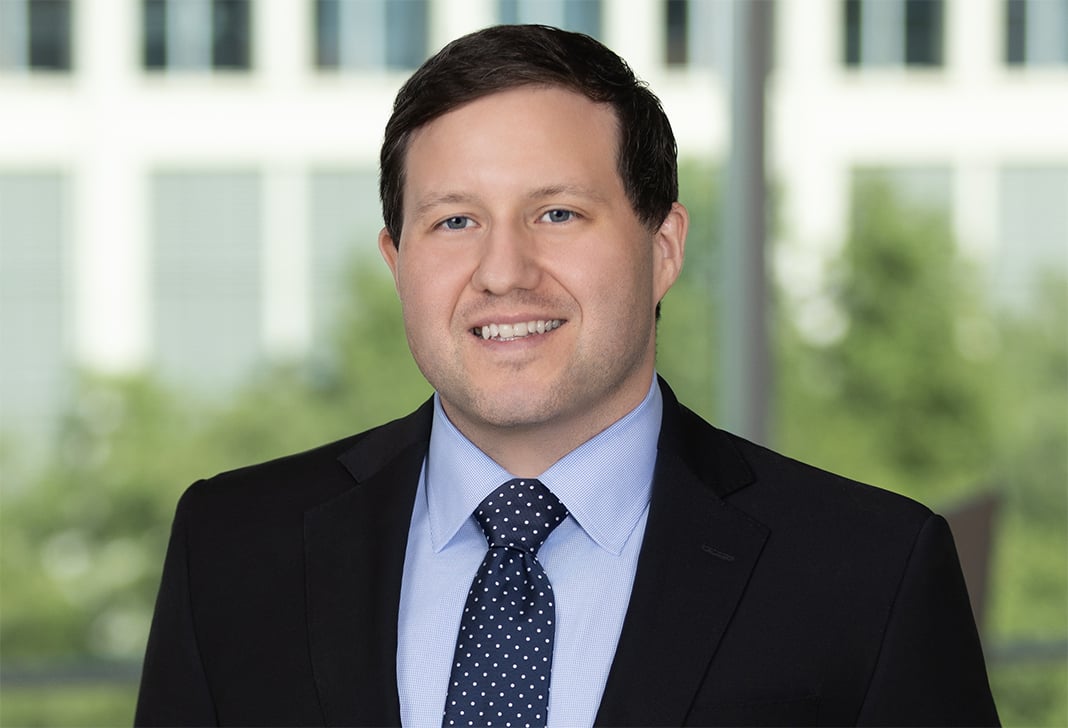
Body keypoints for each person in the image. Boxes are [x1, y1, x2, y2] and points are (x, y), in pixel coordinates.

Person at [135, 24, 999, 727]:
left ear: (664, 248)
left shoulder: (867, 573)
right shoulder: (234, 549)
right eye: (454, 222)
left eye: (557, 213)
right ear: (397, 262)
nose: (503, 271)